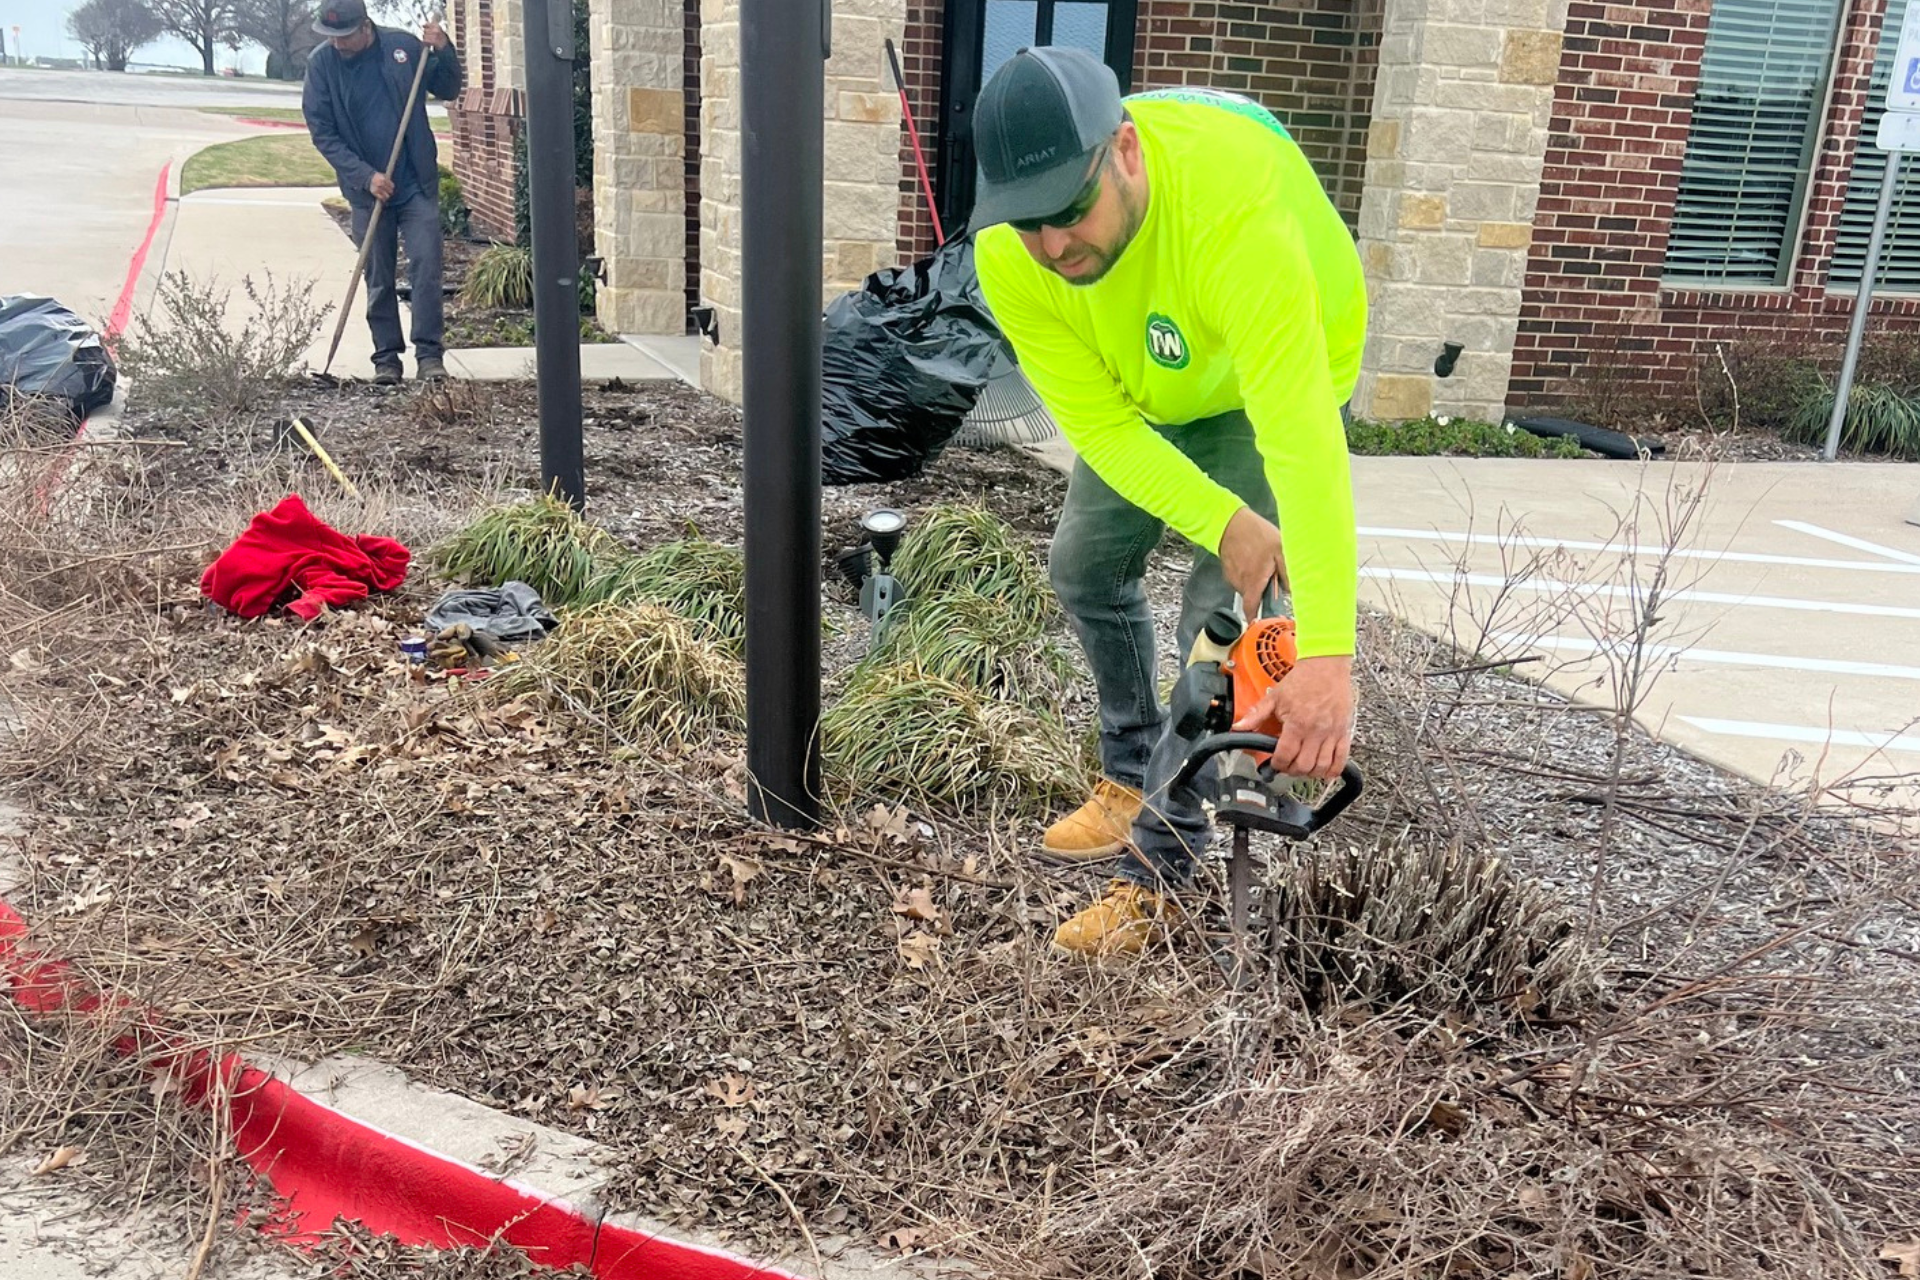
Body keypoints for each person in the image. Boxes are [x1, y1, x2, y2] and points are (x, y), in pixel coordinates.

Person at [970, 47, 1366, 959]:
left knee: (1215, 631)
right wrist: (1218, 516)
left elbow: (1303, 444)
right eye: (1030, 224)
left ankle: (1161, 873)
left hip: (1260, 384)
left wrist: (1330, 661)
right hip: (1153, 385)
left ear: (1129, 152)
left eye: (1071, 212)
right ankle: (1129, 775)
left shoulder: (1236, 216)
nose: (1054, 246)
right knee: (1081, 566)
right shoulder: (1012, 254)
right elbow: (1104, 433)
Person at [304, 0, 463, 384]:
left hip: (414, 184)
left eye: (344, 37)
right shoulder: (321, 65)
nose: (337, 45)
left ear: (366, 27)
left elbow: (447, 86)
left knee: (426, 267)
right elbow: (322, 131)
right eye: (331, 38)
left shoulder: (403, 48)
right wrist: (365, 176)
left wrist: (444, 49)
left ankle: (429, 357)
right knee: (378, 275)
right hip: (367, 192)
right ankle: (386, 360)